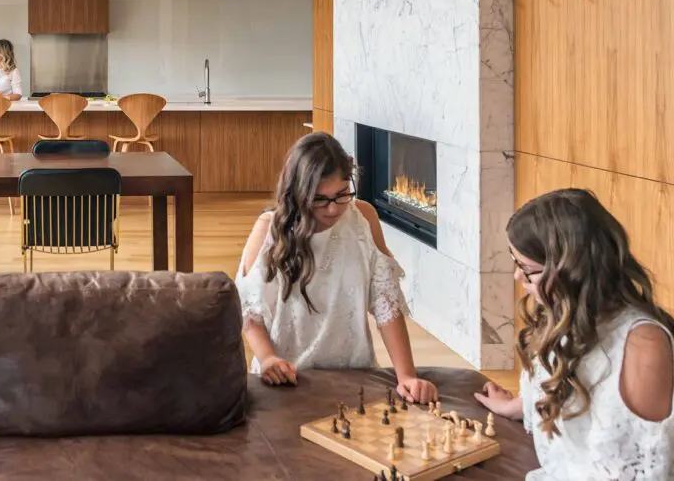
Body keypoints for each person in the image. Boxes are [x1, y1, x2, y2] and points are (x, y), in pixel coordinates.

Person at [475, 188, 674, 480]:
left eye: (527, 269)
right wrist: (518, 405)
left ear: (572, 271)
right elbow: (558, 387)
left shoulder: (643, 345)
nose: (518, 277)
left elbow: (641, 468)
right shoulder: (560, 317)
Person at [234, 132, 438, 403]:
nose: (332, 209)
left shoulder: (364, 218)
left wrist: (406, 376)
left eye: (341, 194)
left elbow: (386, 304)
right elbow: (249, 314)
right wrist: (268, 358)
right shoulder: (268, 229)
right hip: (284, 378)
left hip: (354, 375)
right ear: (298, 193)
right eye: (320, 199)